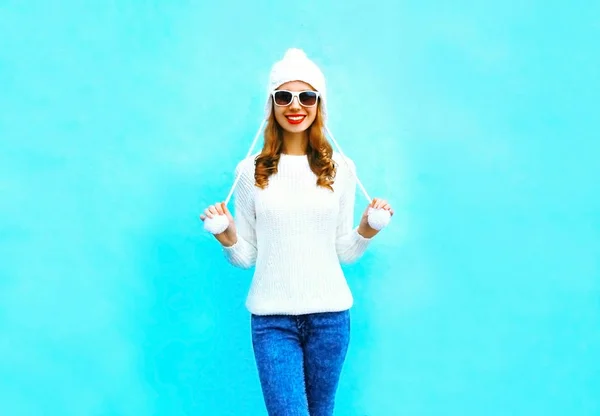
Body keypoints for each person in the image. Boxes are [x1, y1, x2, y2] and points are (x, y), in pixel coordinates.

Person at [200, 48, 393, 416]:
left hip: (331, 318)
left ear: (319, 104)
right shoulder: (249, 171)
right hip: (272, 321)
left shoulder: (341, 168)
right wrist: (224, 233)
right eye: (283, 96)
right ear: (271, 104)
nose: (295, 105)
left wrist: (368, 228)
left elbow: (345, 250)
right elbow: (246, 257)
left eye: (306, 96)